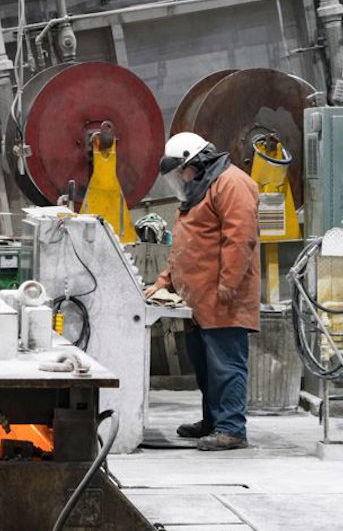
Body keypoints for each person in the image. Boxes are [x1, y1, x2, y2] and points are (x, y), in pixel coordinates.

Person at [144, 132, 261, 451]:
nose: (180, 178)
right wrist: (163, 281)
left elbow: (240, 239)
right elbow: (185, 244)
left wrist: (228, 284)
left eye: (181, 170)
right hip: (200, 299)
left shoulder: (231, 184)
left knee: (225, 365)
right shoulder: (198, 190)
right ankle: (213, 421)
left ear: (196, 163)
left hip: (224, 296)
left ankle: (232, 429)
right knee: (207, 366)